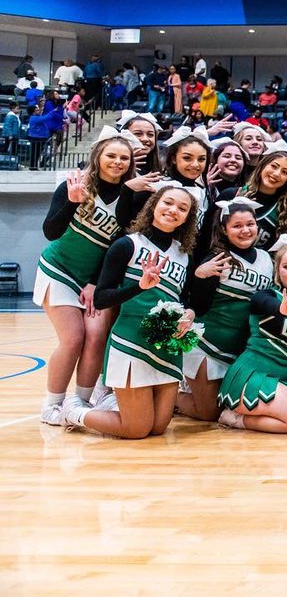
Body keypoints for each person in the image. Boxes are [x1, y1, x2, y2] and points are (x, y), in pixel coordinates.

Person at [59, 186, 199, 437]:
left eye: (182, 208)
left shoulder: (184, 255)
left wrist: (189, 314)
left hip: (168, 347)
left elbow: (185, 298)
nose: (173, 210)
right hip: (130, 341)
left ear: (188, 217)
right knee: (136, 429)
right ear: (154, 205)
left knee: (158, 427)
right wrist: (139, 287)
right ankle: (74, 411)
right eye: (168, 203)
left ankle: (113, 404)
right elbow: (101, 299)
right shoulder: (127, 244)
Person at [36, 129, 138, 424]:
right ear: (98, 156)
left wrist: (95, 282)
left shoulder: (127, 198)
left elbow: (115, 249)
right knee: (73, 338)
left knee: (95, 338)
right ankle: (51, 405)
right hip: (58, 270)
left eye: (124, 158)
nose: (117, 162)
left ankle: (79, 402)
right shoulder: (76, 185)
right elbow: (50, 232)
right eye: (111, 156)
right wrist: (71, 202)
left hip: (92, 279)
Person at [214, 237, 287, 432]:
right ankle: (235, 419)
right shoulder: (267, 296)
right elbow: (259, 304)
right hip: (253, 374)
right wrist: (281, 308)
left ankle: (277, 411)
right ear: (277, 270)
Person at [177, 199, 274, 422]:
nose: (245, 230)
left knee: (234, 403)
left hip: (241, 351)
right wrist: (199, 277)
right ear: (224, 229)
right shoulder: (217, 257)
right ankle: (172, 395)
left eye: (250, 224)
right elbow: (199, 306)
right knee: (209, 412)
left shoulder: (266, 258)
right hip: (207, 346)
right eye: (237, 226)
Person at [219, 149, 287, 248]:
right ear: (262, 165)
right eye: (274, 166)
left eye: (285, 172)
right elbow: (209, 234)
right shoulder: (230, 195)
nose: (277, 174)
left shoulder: (286, 210)